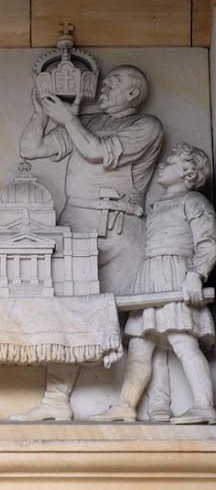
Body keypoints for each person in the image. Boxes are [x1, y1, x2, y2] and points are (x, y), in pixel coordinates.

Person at [12, 65, 164, 421]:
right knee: (68, 310)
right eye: (105, 82)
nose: (104, 87)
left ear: (133, 93)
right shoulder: (89, 122)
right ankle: (55, 400)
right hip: (76, 226)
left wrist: (68, 120)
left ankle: (128, 404)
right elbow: (30, 148)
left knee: (133, 315)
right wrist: (40, 113)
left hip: (119, 228)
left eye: (114, 83)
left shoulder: (146, 126)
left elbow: (98, 152)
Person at [90, 143, 216, 424]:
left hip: (175, 274)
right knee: (141, 343)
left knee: (182, 340)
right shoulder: (157, 206)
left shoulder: (193, 202)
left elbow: (208, 241)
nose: (162, 165)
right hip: (150, 276)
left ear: (188, 173)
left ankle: (204, 405)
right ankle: (127, 404)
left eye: (170, 162)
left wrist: (196, 274)